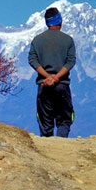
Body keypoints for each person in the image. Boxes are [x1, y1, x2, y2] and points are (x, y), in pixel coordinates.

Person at [28, 7, 76, 137]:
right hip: (62, 85)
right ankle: (61, 147)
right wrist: (56, 77)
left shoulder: (37, 40)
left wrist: (47, 77)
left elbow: (32, 60)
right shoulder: (68, 40)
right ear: (60, 21)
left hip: (44, 85)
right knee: (64, 119)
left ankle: (46, 149)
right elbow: (71, 61)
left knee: (45, 120)